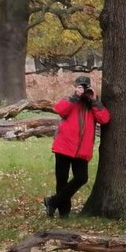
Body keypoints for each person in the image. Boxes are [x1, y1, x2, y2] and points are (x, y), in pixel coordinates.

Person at [46, 75, 110, 218]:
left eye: (86, 87)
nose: (83, 90)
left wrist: (94, 100)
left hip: (82, 151)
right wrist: (75, 97)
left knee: (81, 178)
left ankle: (52, 202)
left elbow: (104, 119)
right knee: (61, 181)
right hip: (64, 146)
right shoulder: (70, 99)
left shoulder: (93, 104)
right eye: (80, 86)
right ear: (75, 87)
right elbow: (60, 110)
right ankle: (64, 213)